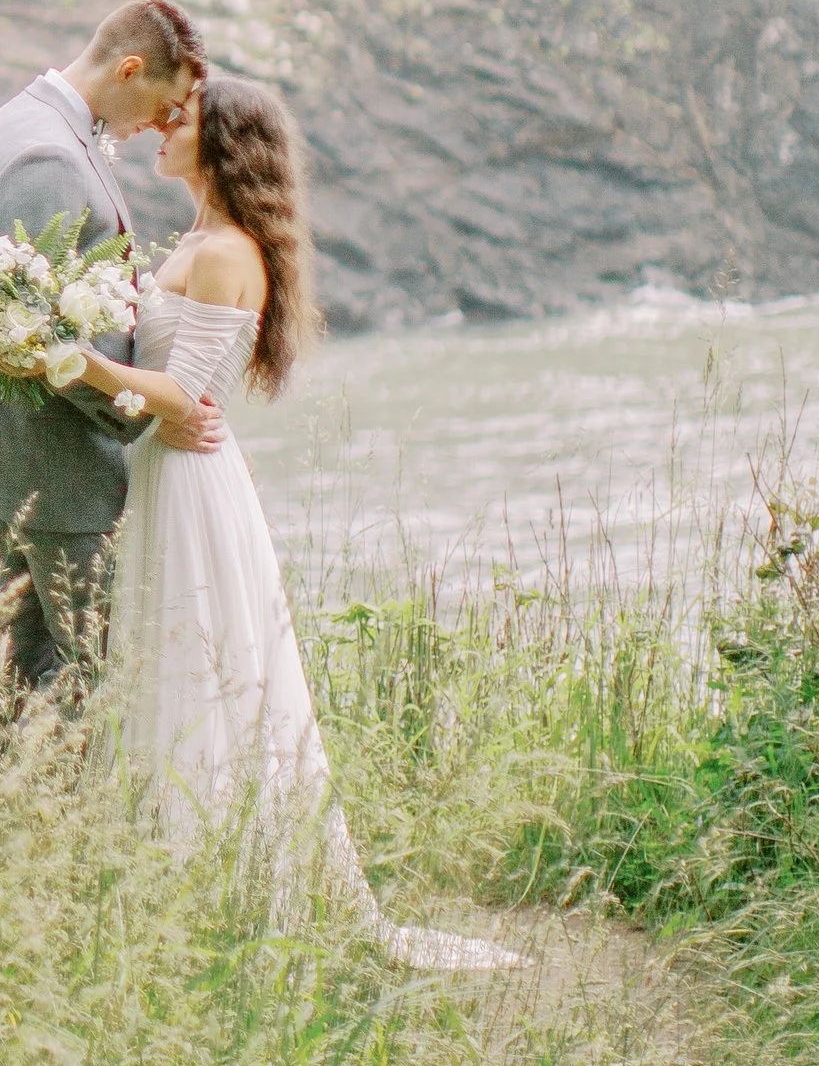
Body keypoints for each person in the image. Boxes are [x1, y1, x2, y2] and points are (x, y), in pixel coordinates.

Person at [65, 70, 518, 972]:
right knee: (167, 661)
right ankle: (160, 883)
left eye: (182, 118)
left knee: (196, 667)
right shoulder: (203, 239)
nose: (163, 126)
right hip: (168, 470)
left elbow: (184, 394)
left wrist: (75, 361)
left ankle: (202, 889)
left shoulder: (227, 251)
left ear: (224, 145)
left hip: (188, 484)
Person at [0, 0, 210, 748]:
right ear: (130, 69)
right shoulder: (47, 155)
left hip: (31, 458)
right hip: (55, 463)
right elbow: (36, 339)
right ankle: (51, 818)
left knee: (20, 676)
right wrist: (148, 410)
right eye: (166, 103)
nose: (163, 124)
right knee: (87, 677)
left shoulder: (25, 121)